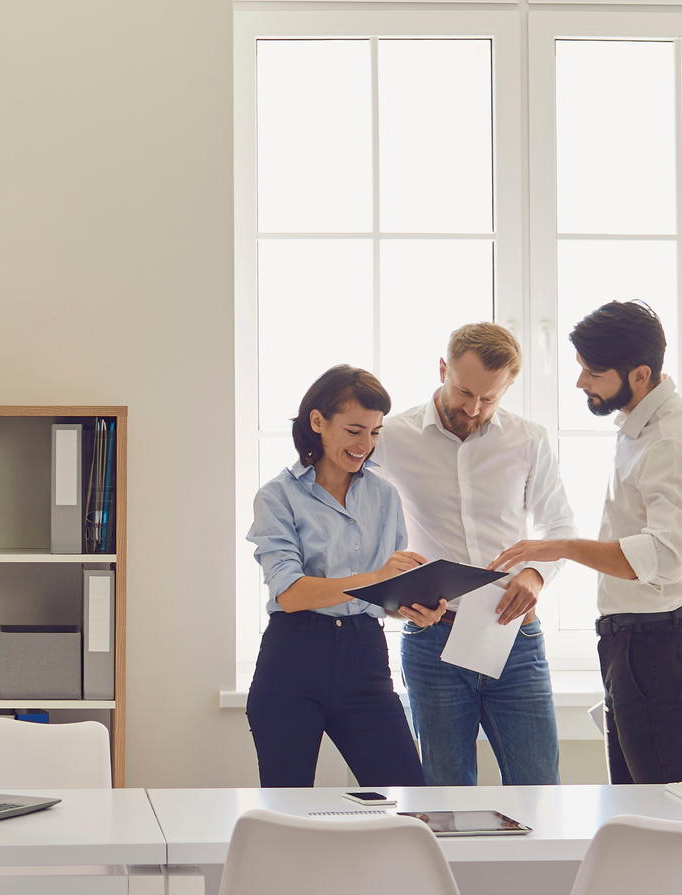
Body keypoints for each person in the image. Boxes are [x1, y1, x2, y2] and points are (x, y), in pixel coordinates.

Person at [491, 300, 682, 785]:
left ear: (640, 375)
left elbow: (662, 557)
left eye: (593, 372)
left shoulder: (669, 442)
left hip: (658, 646)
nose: (581, 383)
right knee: (638, 812)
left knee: (669, 820)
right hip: (640, 643)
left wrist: (558, 547)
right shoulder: (643, 430)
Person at [375, 322, 576, 786]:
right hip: (432, 642)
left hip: (513, 638)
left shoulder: (529, 440)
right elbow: (358, 522)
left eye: (490, 399)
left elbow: (560, 526)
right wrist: (390, 585)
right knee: (444, 798)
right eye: (464, 391)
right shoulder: (391, 439)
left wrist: (535, 575)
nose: (474, 407)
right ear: (442, 368)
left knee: (539, 789)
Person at [244, 364, 431, 789]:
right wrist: (376, 577)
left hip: (365, 657)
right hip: (293, 658)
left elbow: (381, 589)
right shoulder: (277, 497)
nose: (365, 444)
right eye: (354, 430)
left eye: (375, 432)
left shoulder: (384, 496)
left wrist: (412, 605)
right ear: (317, 422)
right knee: (287, 810)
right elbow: (290, 593)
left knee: (410, 797)